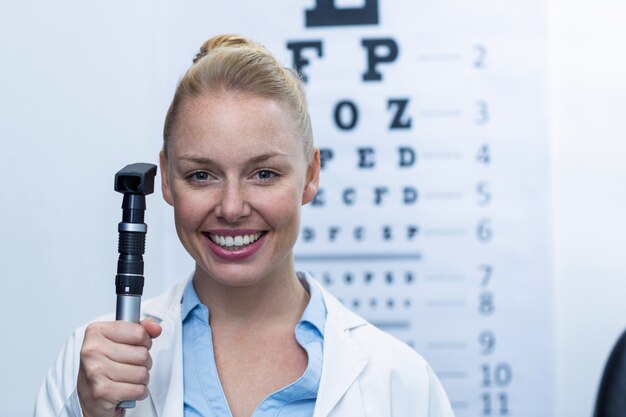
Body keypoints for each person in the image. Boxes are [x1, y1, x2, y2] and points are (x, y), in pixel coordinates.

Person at [34, 34, 454, 417]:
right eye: (201, 175)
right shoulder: (91, 367)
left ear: (310, 175)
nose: (232, 208)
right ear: (165, 178)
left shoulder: (401, 382)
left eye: (264, 174)